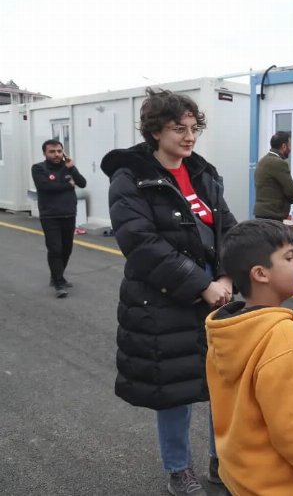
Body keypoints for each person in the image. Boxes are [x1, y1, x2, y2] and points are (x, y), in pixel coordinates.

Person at [101, 87, 237, 496]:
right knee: (175, 390)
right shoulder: (131, 177)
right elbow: (141, 244)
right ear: (156, 131)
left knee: (221, 384)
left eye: (193, 128)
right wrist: (202, 286)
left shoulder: (203, 173)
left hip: (218, 295)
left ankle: (223, 460)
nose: (189, 136)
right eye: (179, 128)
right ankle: (179, 469)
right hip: (162, 300)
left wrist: (228, 277)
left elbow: (227, 228)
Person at [206, 219, 293, 496]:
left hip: (240, 478)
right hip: (280, 486)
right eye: (289, 257)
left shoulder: (228, 329)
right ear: (261, 273)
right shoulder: (282, 337)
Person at [31, 140, 87, 298]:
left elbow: (82, 183)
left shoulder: (67, 167)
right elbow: (46, 187)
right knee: (55, 249)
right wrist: (68, 185)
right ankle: (59, 283)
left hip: (69, 213)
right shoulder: (38, 168)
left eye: (59, 151)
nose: (56, 154)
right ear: (45, 153)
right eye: (52, 151)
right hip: (50, 215)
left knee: (66, 249)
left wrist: (72, 168)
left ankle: (57, 274)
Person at [254, 131, 293, 221]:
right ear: (284, 146)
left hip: (261, 214)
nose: (290, 149)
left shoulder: (263, 161)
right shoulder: (278, 163)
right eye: (289, 145)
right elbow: (291, 192)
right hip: (272, 215)